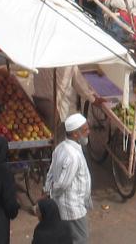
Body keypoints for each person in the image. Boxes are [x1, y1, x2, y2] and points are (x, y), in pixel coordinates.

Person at [43, 113, 92, 244]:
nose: (89, 132)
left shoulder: (60, 148)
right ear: (75, 134)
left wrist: (47, 190)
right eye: (85, 130)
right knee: (80, 239)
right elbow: (62, 184)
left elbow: (51, 173)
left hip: (67, 206)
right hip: (73, 209)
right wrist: (52, 193)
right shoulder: (73, 156)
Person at [32, 67, 101, 135]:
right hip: (60, 112)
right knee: (61, 137)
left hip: (41, 105)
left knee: (48, 135)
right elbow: (80, 85)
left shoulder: (39, 62)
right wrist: (93, 99)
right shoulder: (68, 63)